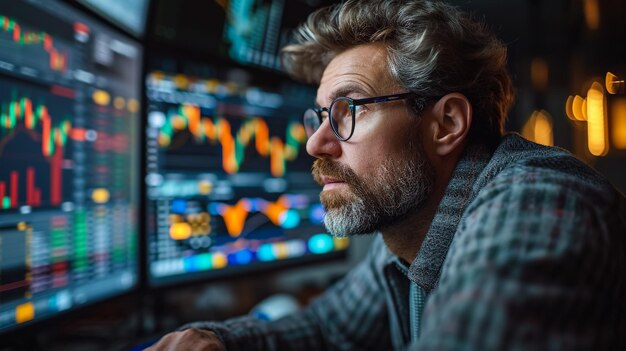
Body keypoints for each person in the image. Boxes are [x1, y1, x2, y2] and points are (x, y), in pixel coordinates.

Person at [148, 0, 626, 350]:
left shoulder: (535, 204)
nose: (316, 143)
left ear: (446, 126)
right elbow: (329, 328)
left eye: (348, 109)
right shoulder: (410, 232)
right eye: (318, 117)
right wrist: (216, 341)